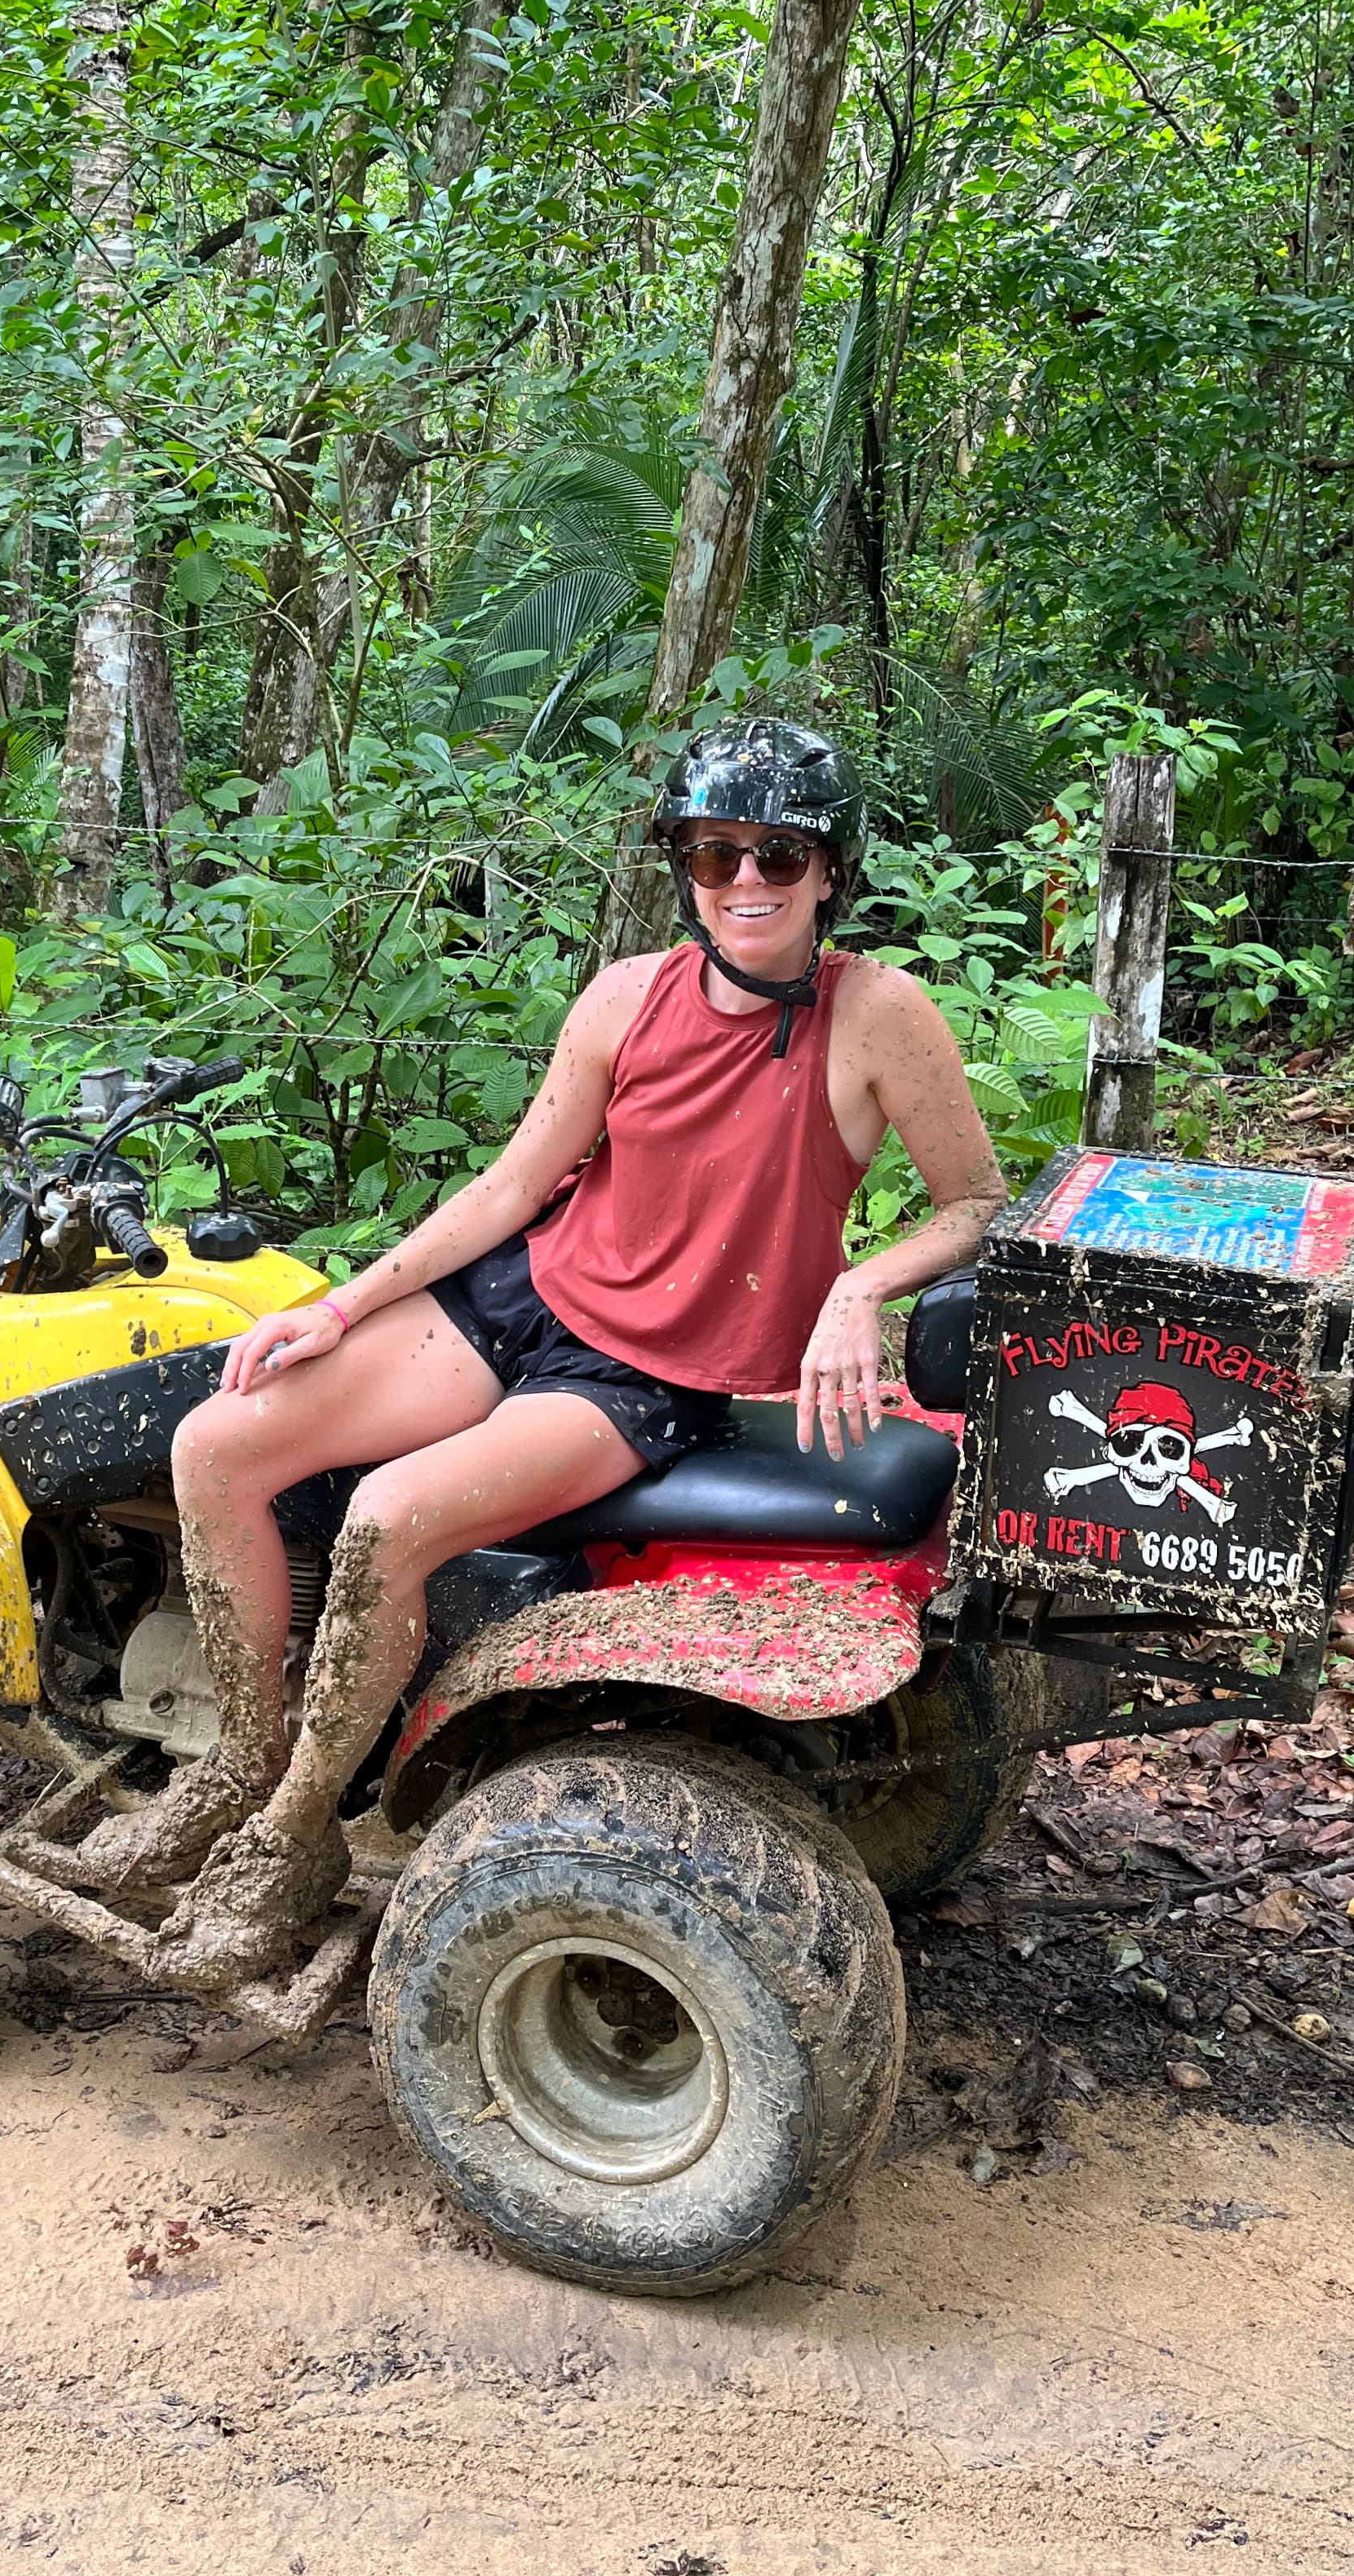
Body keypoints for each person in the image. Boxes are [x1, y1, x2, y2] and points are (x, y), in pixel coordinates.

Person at [80, 719, 1007, 1989]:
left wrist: (863, 1283)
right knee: (217, 1443)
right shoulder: (627, 997)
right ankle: (240, 1763)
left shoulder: (877, 1018)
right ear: (682, 863)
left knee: (388, 1523)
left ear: (830, 870)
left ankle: (296, 1831)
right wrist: (341, 1309)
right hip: (525, 1299)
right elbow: (517, 1183)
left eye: (778, 856)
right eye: (714, 851)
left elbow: (974, 1203)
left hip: (646, 1375)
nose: (745, 882)